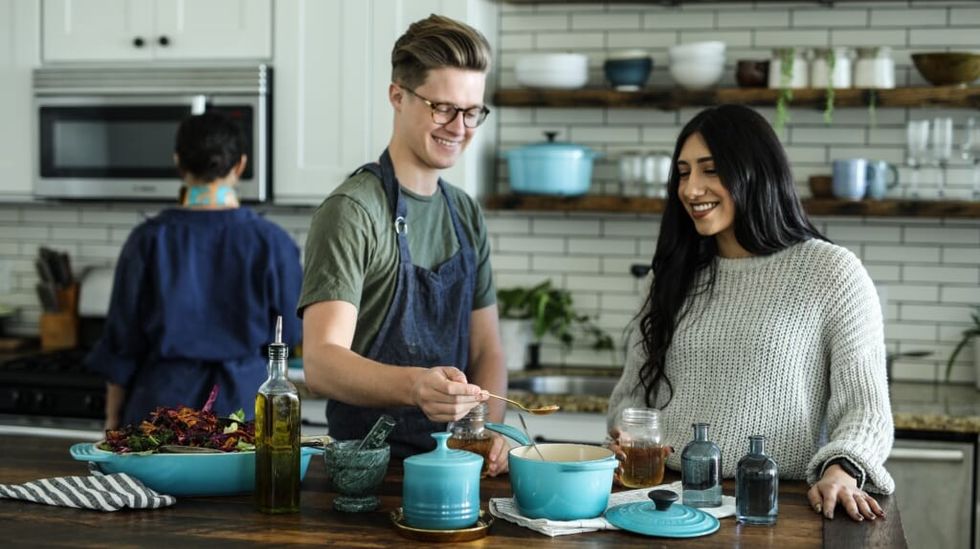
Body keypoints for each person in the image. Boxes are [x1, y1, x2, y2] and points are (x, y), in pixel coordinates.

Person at [607, 104, 894, 522]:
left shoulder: (831, 272)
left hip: (775, 504)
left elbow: (865, 410)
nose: (691, 189)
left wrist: (841, 471)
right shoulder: (670, 276)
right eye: (683, 173)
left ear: (756, 173)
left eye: (711, 170)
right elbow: (631, 398)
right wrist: (626, 435)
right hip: (666, 500)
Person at [298, 14, 508, 471]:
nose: (459, 127)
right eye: (443, 108)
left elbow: (487, 349)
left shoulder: (465, 212)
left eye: (472, 112)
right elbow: (321, 362)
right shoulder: (353, 211)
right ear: (398, 96)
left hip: (458, 467)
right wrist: (416, 386)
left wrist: (492, 427)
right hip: (369, 475)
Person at [85, 111, 302, 429]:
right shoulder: (273, 243)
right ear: (240, 165)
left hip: (161, 411)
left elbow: (122, 344)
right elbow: (291, 334)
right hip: (243, 410)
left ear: (178, 162)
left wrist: (112, 420)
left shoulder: (147, 240)